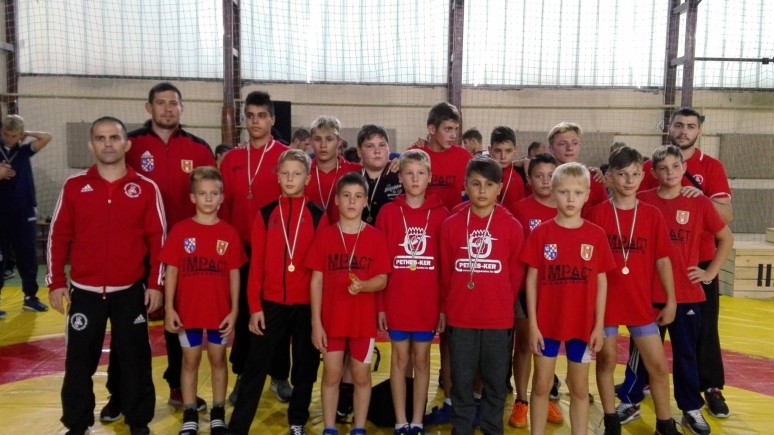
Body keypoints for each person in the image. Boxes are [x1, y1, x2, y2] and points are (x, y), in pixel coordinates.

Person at [46, 116, 165, 435]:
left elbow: (159, 241)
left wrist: (156, 284)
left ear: (126, 144)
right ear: (91, 145)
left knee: (136, 361)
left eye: (114, 137)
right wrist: (56, 282)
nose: (108, 144)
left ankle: (138, 421)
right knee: (78, 363)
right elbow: (58, 236)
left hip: (130, 291)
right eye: (101, 138)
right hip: (84, 292)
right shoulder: (74, 187)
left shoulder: (146, 188)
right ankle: (77, 424)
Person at [103, 82, 215, 418]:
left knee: (180, 322)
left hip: (185, 253)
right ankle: (119, 394)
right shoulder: (131, 145)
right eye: (161, 102)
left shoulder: (199, 148)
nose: (167, 108)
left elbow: (213, 200)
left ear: (182, 108)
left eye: (173, 103)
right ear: (148, 107)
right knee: (127, 324)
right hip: (137, 251)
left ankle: (180, 386)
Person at [617, 145, 733, 435]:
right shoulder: (642, 200)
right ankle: (630, 400)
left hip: (687, 293)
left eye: (675, 166)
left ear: (684, 168)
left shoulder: (699, 202)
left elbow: (726, 238)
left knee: (686, 354)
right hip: (648, 294)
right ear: (653, 173)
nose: (670, 173)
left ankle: (690, 408)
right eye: (663, 168)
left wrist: (709, 273)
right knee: (640, 353)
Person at [639, 107, 734, 418]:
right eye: (679, 125)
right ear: (669, 128)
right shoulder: (651, 165)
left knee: (702, 331)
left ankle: (710, 387)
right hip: (656, 262)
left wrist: (699, 197)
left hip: (698, 258)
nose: (684, 131)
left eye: (691, 126)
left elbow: (727, 216)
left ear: (699, 131)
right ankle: (640, 383)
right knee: (649, 327)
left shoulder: (711, 166)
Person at [229, 149, 329, 435]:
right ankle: (238, 428)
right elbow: (256, 265)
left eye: (296, 173)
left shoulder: (318, 216)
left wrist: (319, 316)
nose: (290, 178)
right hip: (270, 303)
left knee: (305, 366)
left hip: (306, 305)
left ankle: (297, 420)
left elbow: (321, 271)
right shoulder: (265, 213)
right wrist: (254, 307)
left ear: (307, 178)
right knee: (255, 366)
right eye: (285, 173)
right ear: (277, 176)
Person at [586, 147, 680, 435]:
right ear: (610, 177)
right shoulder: (597, 214)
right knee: (606, 362)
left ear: (642, 176)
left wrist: (671, 300)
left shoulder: (651, 215)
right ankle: (611, 420)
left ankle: (665, 424)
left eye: (635, 174)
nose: (629, 180)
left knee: (658, 367)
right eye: (622, 174)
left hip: (639, 304)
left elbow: (663, 260)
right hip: (606, 305)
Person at [520, 162, 616, 435]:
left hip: (582, 325)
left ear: (587, 195)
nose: (570, 199)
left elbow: (602, 281)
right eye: (563, 192)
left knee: (579, 388)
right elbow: (531, 281)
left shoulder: (595, 235)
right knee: (541, 385)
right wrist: (533, 325)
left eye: (577, 192)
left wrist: (598, 325)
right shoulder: (541, 233)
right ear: (553, 193)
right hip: (547, 325)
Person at [437, 157, 524, 435]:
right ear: (465, 186)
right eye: (475, 184)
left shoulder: (512, 226)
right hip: (461, 317)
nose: (482, 190)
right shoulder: (451, 225)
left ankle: (491, 428)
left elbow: (515, 275)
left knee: (495, 382)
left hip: (498, 319)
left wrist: (501, 303)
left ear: (499, 188)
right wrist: (448, 306)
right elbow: (446, 272)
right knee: (461, 380)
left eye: (489, 184)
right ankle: (461, 428)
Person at [219, 91, 293, 402]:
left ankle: (279, 375)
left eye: (262, 116)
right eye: (250, 116)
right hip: (242, 252)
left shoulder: (287, 157)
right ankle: (243, 376)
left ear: (272, 119)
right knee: (245, 315)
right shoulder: (232, 160)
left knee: (278, 316)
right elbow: (223, 209)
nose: (255, 122)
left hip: (278, 251)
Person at [160, 166, 245, 435]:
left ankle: (218, 412)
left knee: (218, 359)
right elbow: (171, 271)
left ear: (222, 197)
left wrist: (234, 310)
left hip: (220, 312)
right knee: (190, 360)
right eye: (203, 193)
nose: (208, 198)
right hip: (189, 312)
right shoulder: (180, 231)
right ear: (192, 197)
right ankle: (189, 412)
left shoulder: (229, 233)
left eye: (214, 193)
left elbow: (235, 274)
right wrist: (169, 307)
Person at [306, 172, 391, 435]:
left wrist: (364, 286)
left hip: (362, 322)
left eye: (357, 196)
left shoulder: (375, 237)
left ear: (366, 201)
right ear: (336, 200)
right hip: (331, 320)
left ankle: (359, 427)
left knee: (361, 375)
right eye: (346, 196)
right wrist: (316, 323)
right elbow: (316, 281)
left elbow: (382, 279)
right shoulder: (325, 236)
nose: (352, 202)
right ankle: (330, 427)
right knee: (331, 374)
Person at [376, 149, 449, 435]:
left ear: (430, 176)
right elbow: (380, 265)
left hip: (427, 303)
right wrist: (380, 306)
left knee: (422, 360)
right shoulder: (388, 213)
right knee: (399, 359)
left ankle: (417, 419)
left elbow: (445, 268)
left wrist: (442, 308)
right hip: (397, 300)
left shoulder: (442, 214)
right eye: (409, 173)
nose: (415, 179)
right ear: (400, 177)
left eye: (421, 173)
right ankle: (400, 420)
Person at [506, 153, 564, 429]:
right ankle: (522, 399)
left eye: (551, 176)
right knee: (525, 345)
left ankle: (543, 394)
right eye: (539, 176)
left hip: (557, 291)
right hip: (525, 290)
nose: (545, 181)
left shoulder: (566, 207)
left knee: (549, 347)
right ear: (529, 179)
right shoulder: (519, 209)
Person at [0, 114, 52, 315]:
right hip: (2, 212)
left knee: (27, 255)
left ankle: (30, 297)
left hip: (24, 211)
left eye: (14, 135)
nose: (9, 139)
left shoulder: (23, 151)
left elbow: (47, 137)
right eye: (6, 134)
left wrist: (26, 133)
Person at [414, 102, 471, 211]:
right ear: (432, 129)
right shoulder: (416, 154)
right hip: (421, 219)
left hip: (453, 218)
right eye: (448, 129)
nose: (454, 135)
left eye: (456, 129)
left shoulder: (464, 157)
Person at [306, 115, 362, 224]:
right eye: (317, 139)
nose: (323, 145)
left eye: (329, 139)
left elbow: (379, 170)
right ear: (311, 142)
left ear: (339, 141)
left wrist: (395, 163)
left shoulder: (356, 171)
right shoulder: (302, 173)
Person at [546, 122, 608, 214]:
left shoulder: (594, 179)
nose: (569, 148)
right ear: (551, 149)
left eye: (574, 143)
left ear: (579, 146)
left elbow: (604, 212)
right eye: (562, 144)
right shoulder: (544, 180)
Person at [356, 124, 403, 224]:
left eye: (382, 145)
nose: (377, 151)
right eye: (370, 146)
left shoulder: (402, 176)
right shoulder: (354, 180)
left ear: (389, 148)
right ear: (359, 151)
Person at [488, 126, 525, 210]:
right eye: (498, 151)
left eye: (508, 151)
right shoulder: (482, 173)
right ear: (490, 150)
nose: (503, 157)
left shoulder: (517, 180)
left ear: (516, 150)